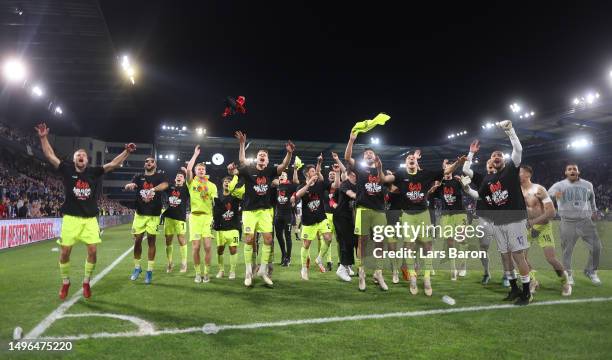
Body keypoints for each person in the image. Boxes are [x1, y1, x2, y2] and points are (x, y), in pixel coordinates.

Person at [36, 122, 135, 299]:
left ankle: (86, 281)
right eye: (78, 155)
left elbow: (112, 164)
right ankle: (66, 282)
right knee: (65, 252)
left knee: (93, 251)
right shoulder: (66, 169)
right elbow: (50, 155)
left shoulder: (93, 172)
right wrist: (43, 137)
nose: (81, 156)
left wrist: (126, 152)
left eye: (83, 155)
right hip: (71, 219)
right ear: (74, 159)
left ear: (87, 160)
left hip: (90, 219)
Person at [462, 120, 533, 306]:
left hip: (516, 218)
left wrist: (510, 131)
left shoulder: (511, 168)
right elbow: (476, 190)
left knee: (518, 255)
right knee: (504, 255)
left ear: (504, 159)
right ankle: (514, 289)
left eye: (500, 154)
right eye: (494, 155)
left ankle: (526, 292)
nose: (497, 156)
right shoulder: (487, 179)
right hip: (499, 221)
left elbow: (518, 150)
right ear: (490, 160)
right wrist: (467, 188)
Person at [380, 151, 464, 296]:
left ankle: (426, 278)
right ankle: (412, 276)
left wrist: (457, 163)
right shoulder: (400, 175)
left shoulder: (425, 174)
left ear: (416, 163)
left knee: (427, 246)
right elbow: (384, 179)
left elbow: (446, 171)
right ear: (406, 163)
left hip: (424, 214)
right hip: (407, 215)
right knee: (408, 246)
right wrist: (378, 167)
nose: (411, 159)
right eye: (408, 158)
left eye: (413, 158)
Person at [232, 131, 294, 287]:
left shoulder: (270, 171)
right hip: (249, 211)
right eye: (260, 154)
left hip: (266, 211)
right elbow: (241, 159)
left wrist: (289, 153)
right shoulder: (248, 169)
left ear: (267, 161)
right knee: (249, 240)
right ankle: (248, 273)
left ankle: (263, 271)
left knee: (268, 240)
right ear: (257, 157)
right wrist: (241, 144)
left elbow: (284, 165)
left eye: (264, 156)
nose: (262, 156)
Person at [519, 165, 572, 296]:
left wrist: (533, 222)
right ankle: (533, 281)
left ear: (527, 174)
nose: (516, 175)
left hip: (543, 226)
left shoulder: (539, 189)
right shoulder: (517, 190)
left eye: (519, 172)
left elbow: (552, 212)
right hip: (527, 227)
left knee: (551, 258)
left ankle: (565, 282)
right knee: (521, 257)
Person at [548, 163, 602, 286]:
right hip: (567, 222)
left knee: (597, 247)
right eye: (569, 169)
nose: (572, 171)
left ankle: (591, 271)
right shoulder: (559, 185)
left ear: (578, 172)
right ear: (566, 172)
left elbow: (592, 199)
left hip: (585, 222)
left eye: (574, 169)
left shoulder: (588, 184)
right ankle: (568, 274)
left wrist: (594, 211)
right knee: (567, 251)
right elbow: (548, 194)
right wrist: (556, 195)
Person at [124, 157, 169, 285]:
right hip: (140, 214)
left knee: (151, 241)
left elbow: (165, 185)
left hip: (154, 215)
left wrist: (153, 189)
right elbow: (132, 184)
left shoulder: (160, 176)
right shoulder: (138, 177)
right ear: (144, 164)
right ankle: (137, 268)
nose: (148, 162)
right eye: (146, 161)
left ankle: (149, 271)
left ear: (155, 164)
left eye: (151, 161)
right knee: (137, 240)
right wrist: (130, 185)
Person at [462, 140, 498, 286]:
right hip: (484, 218)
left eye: (493, 165)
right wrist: (471, 152)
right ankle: (486, 273)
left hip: (502, 218)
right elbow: (465, 170)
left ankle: (510, 275)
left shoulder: (506, 179)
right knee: (484, 248)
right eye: (488, 165)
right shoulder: (482, 178)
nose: (490, 167)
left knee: (507, 249)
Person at [184, 145, 218, 283]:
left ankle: (206, 273)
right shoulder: (191, 183)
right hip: (195, 218)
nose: (201, 170)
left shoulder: (212, 186)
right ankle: (198, 273)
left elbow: (215, 203)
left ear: (205, 171)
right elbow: (188, 170)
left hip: (207, 217)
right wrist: (195, 155)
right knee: (196, 247)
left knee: (208, 246)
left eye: (203, 169)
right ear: (196, 171)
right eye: (198, 169)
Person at [294, 161, 333, 280]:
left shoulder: (320, 184)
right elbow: (297, 195)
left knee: (328, 238)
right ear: (307, 174)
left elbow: (335, 185)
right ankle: (304, 269)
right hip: (308, 221)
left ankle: (319, 259)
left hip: (321, 218)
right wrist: (308, 184)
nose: (315, 173)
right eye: (312, 172)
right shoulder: (301, 186)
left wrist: (336, 172)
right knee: (306, 245)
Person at [213, 176, 242, 280]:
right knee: (219, 250)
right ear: (222, 183)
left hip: (233, 227)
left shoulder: (235, 195)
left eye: (229, 181)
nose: (227, 182)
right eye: (225, 181)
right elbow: (215, 211)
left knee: (233, 249)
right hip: (221, 228)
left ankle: (232, 271)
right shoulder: (217, 196)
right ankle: (221, 270)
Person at [162, 171, 190, 273]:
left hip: (180, 218)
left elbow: (190, 180)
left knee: (181, 240)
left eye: (181, 176)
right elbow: (162, 186)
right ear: (175, 179)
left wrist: (187, 172)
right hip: (169, 217)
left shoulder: (186, 189)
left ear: (184, 179)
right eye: (177, 176)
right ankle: (169, 262)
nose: (179, 177)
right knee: (168, 240)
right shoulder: (170, 188)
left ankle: (184, 263)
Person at [334, 167, 358, 281]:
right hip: (341, 217)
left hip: (351, 218)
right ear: (348, 175)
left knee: (353, 241)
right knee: (345, 242)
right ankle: (342, 268)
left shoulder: (358, 185)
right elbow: (351, 194)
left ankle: (347, 266)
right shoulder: (345, 184)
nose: (355, 176)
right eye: (353, 174)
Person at [272, 169, 298, 266]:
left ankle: (288, 258)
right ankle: (283, 255)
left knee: (287, 236)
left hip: (288, 215)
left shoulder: (290, 185)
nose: (282, 176)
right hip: (278, 215)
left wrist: (294, 197)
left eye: (284, 175)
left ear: (287, 177)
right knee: (278, 236)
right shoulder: (277, 186)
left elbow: (297, 189)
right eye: (281, 175)